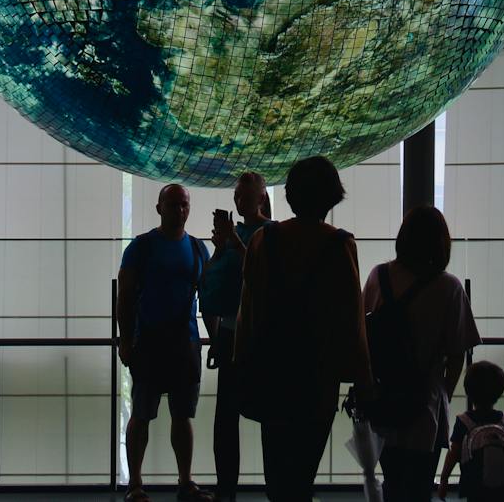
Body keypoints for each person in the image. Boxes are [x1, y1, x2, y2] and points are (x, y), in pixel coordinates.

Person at [235, 156, 371, 502]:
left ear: (290, 196)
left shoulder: (263, 242)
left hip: (271, 370)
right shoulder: (340, 245)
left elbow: (247, 313)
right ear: (331, 197)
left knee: (277, 473)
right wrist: (363, 378)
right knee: (302, 471)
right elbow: (352, 318)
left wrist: (242, 365)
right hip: (317, 376)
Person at [361, 208, 479, 502]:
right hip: (425, 407)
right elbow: (457, 354)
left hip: (383, 399)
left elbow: (361, 334)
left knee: (391, 481)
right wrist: (444, 395)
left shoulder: (379, 275)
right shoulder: (448, 287)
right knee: (417, 487)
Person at [119, 184, 212, 502]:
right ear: (159, 208)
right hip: (152, 343)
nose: (179, 210)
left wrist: (211, 339)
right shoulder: (142, 247)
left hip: (184, 343)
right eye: (173, 205)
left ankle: (182, 481)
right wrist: (126, 340)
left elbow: (207, 299)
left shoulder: (199, 249)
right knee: (145, 414)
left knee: (180, 414)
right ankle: (136, 484)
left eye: (183, 204)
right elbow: (126, 297)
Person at [200, 172, 272, 502]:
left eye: (245, 196)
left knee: (266, 415)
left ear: (261, 199)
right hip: (231, 331)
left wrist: (234, 244)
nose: (238, 201)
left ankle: (277, 488)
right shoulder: (238, 235)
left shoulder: (270, 234)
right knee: (225, 419)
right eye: (237, 195)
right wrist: (220, 248)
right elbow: (212, 285)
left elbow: (264, 274)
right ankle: (225, 489)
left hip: (260, 336)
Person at [436, 361, 504, 502]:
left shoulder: (464, 421)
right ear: (499, 392)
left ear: (468, 392)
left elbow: (454, 453)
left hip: (474, 485)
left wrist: (444, 479)